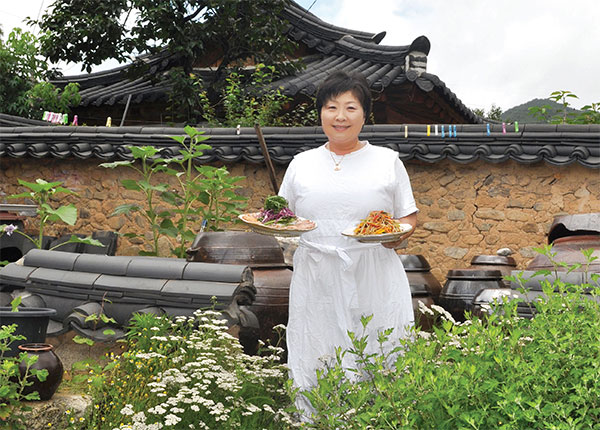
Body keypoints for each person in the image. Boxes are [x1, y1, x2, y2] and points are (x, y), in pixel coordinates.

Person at [278, 70, 418, 418]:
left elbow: (408, 217)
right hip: (317, 273)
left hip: (373, 270)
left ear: (365, 114)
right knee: (317, 347)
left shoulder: (388, 161)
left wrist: (394, 236)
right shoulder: (301, 164)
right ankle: (315, 420)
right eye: (331, 107)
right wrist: (283, 230)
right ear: (321, 113)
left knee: (378, 346)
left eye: (350, 108)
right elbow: (281, 216)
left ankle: (379, 420)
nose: (340, 117)